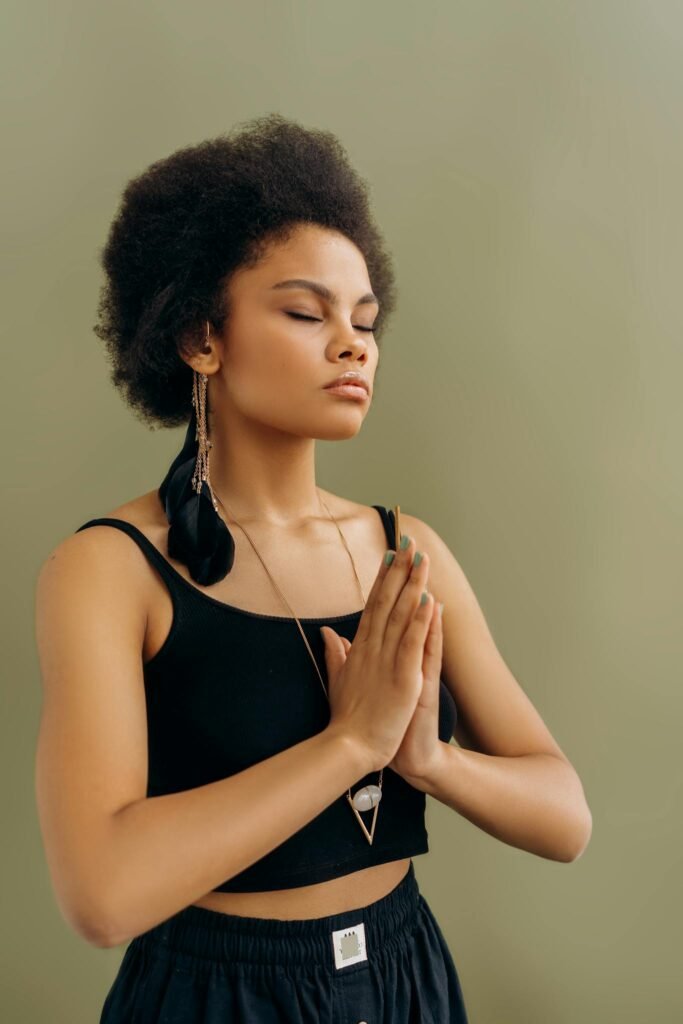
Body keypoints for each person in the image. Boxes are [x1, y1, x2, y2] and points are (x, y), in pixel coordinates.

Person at [34, 114, 591, 1023]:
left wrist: (430, 761)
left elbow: (564, 817)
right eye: (305, 312)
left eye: (364, 321)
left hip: (407, 973)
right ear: (199, 338)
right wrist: (350, 746)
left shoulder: (406, 549)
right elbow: (101, 896)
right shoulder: (107, 570)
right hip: (218, 996)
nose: (352, 343)